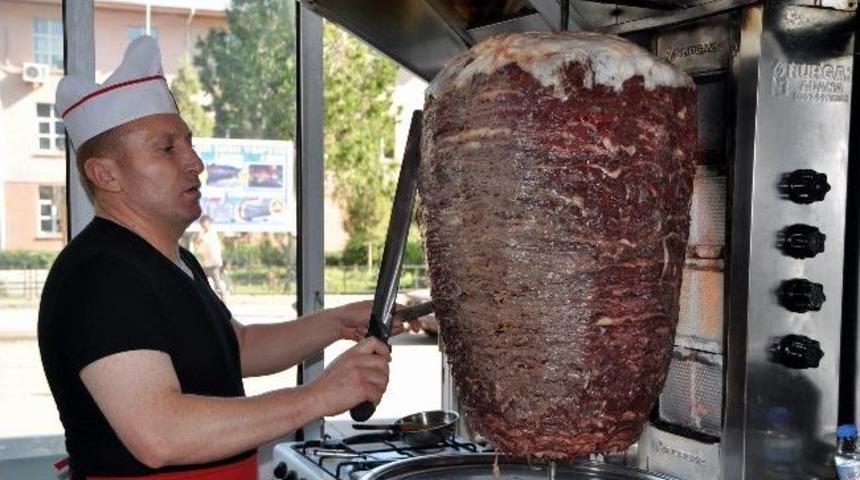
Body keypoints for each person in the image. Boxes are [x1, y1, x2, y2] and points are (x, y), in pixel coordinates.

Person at [39, 36, 413, 480]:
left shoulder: (174, 261)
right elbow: (160, 435)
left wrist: (334, 323)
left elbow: (236, 349)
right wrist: (319, 396)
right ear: (105, 174)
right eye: (167, 148)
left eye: (189, 143)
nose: (196, 161)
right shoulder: (100, 277)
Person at [193, 215, 228, 299]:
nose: (203, 225)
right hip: (206, 263)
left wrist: (201, 234)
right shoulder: (203, 233)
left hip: (214, 263)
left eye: (204, 223)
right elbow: (196, 242)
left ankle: (222, 301)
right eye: (202, 223)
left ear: (208, 223)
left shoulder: (212, 233)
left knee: (217, 283)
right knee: (201, 281)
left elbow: (201, 241)